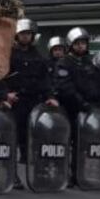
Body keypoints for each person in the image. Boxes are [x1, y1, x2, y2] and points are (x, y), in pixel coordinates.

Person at [54, 27, 100, 185]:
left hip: (90, 109)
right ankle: (68, 174)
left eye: (83, 43)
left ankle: (83, 173)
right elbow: (66, 87)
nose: (81, 46)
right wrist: (82, 103)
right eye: (77, 43)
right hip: (72, 109)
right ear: (71, 44)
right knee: (70, 142)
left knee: (87, 143)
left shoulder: (90, 63)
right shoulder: (64, 62)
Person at [5, 19, 59, 189]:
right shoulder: (9, 54)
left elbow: (45, 79)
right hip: (16, 101)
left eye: (28, 34)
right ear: (17, 35)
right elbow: (1, 76)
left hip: (34, 101)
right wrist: (5, 94)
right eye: (23, 34)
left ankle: (38, 173)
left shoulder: (39, 56)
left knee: (35, 139)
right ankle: (11, 174)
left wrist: (50, 96)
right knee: (12, 139)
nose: (26, 37)